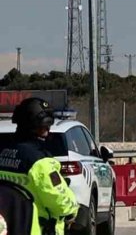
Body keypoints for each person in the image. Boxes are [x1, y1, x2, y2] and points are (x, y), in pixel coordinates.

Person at [0, 97, 79, 235]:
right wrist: (74, 209)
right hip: (35, 228)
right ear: (33, 127)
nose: (47, 132)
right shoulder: (40, 162)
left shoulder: (3, 154)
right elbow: (60, 202)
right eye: (44, 128)